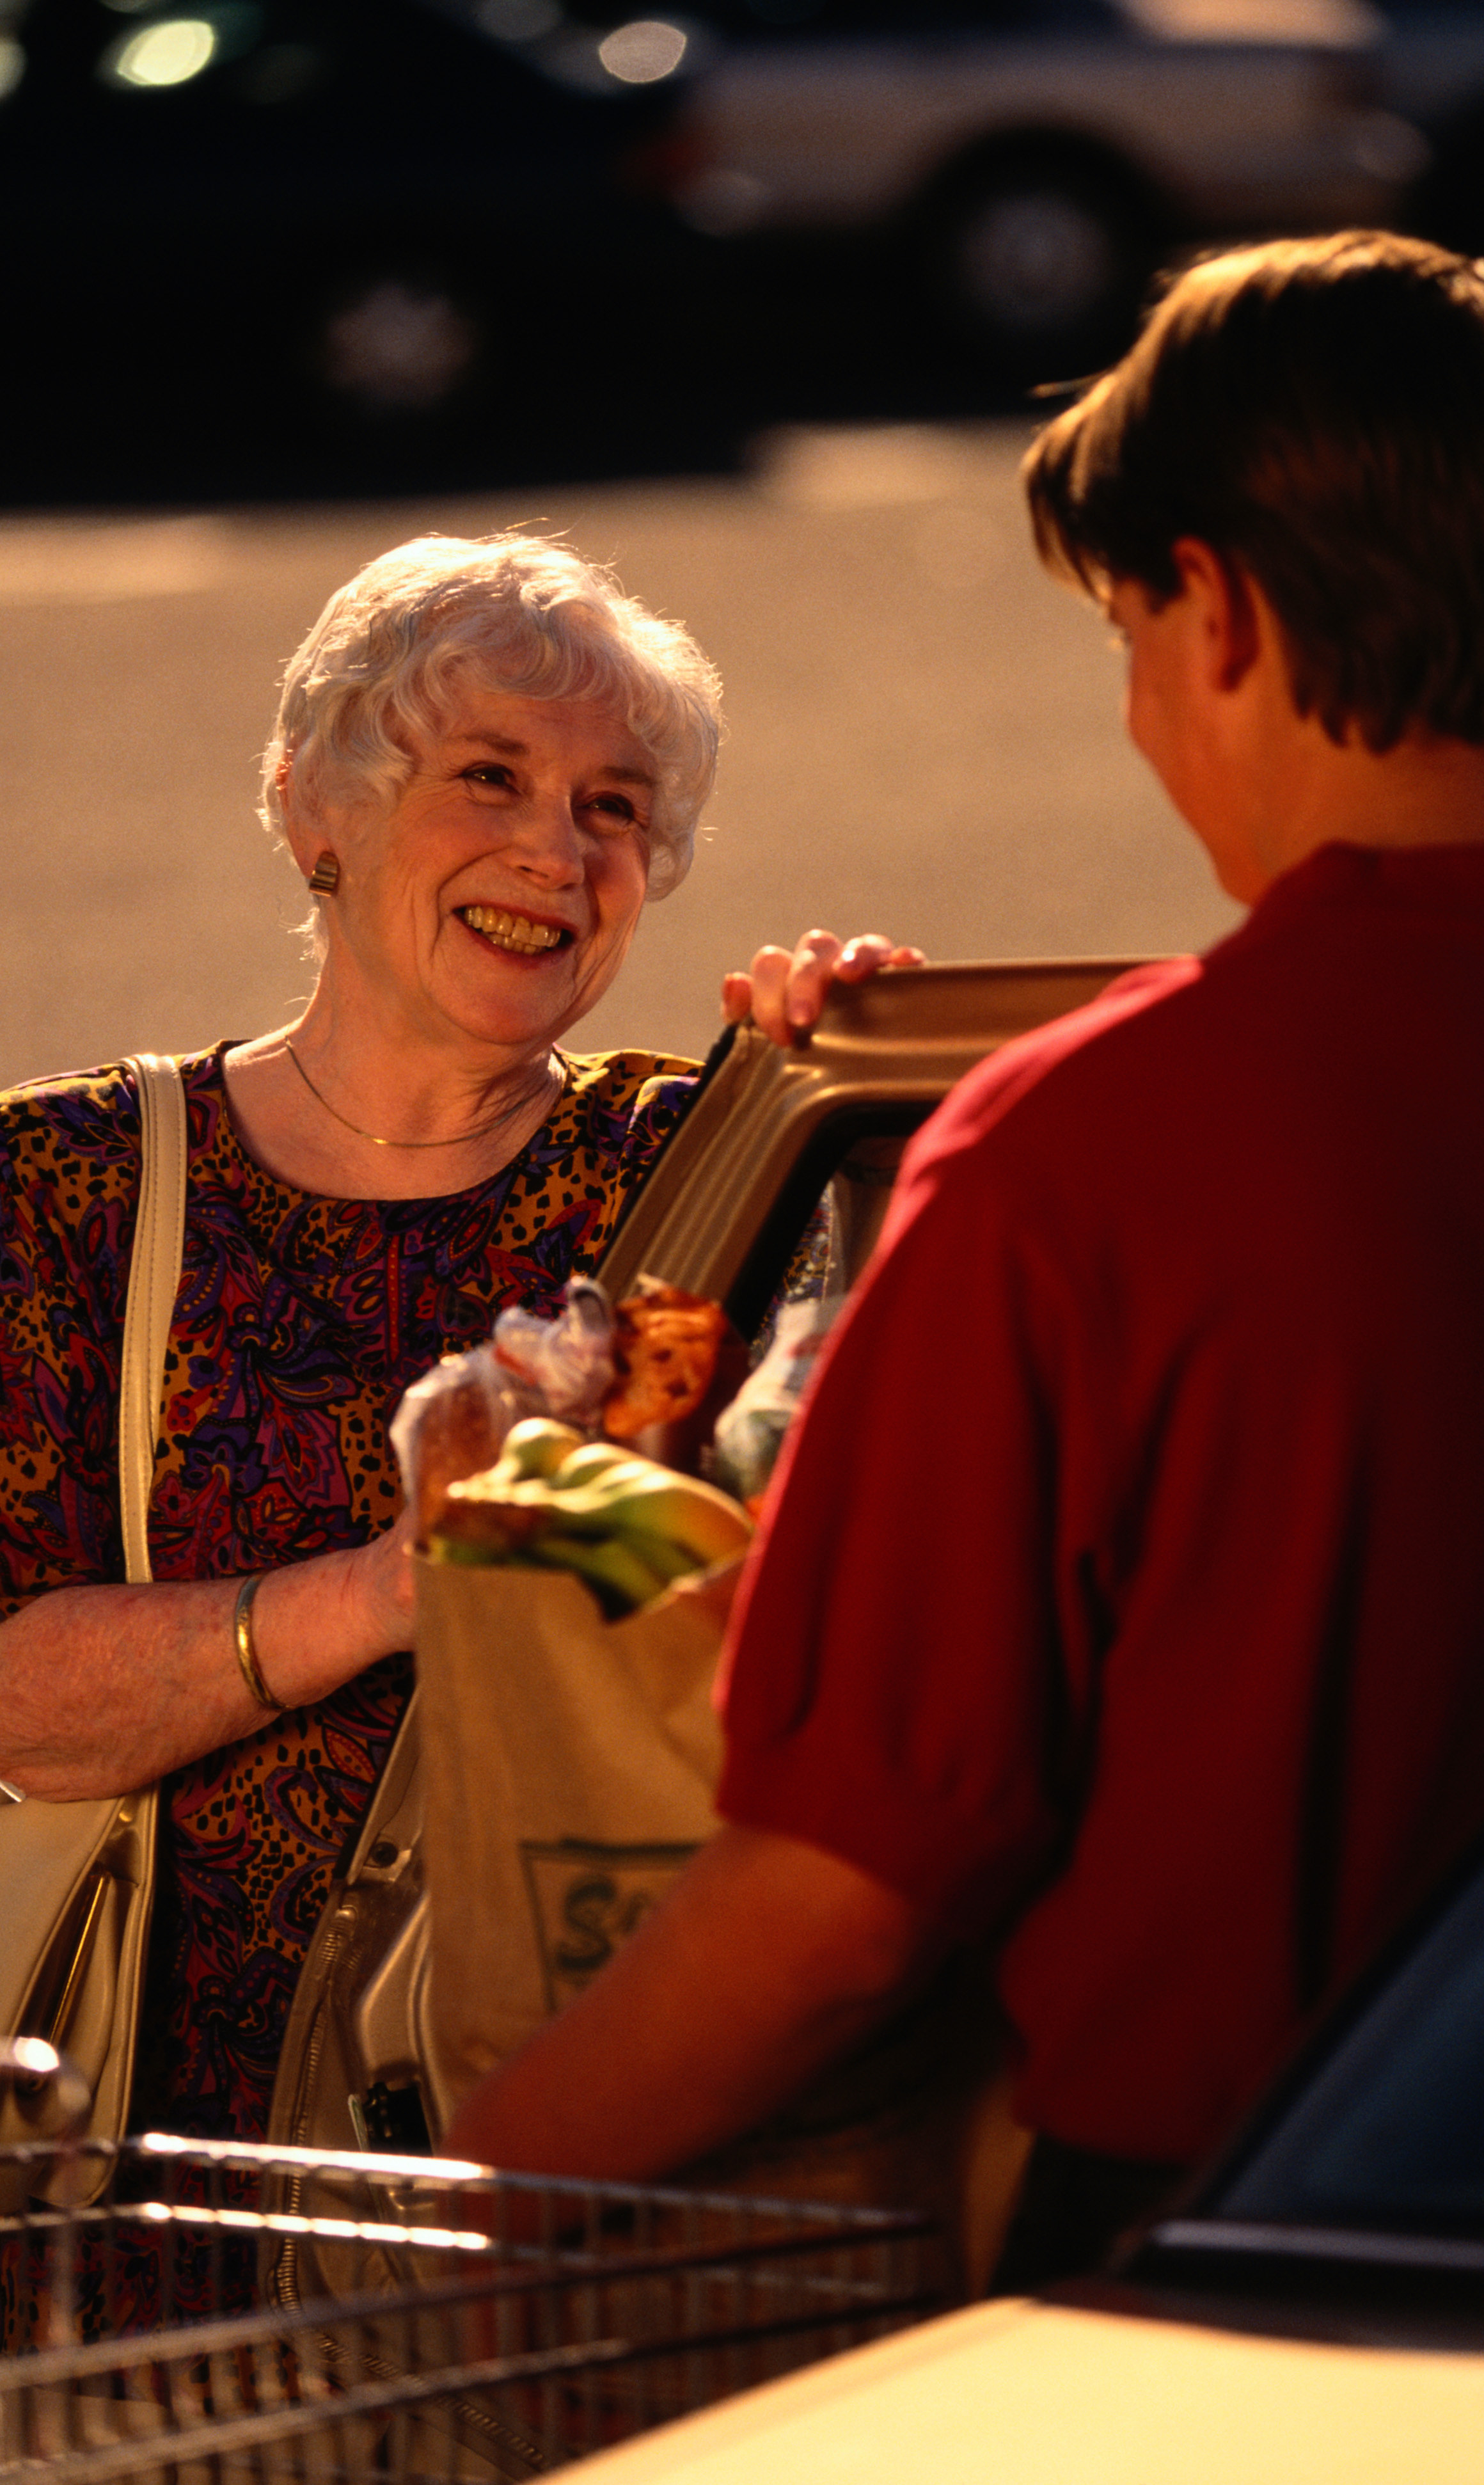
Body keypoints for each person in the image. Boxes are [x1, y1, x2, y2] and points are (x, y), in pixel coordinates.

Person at [444, 234, 1484, 2278]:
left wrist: (470, 2207)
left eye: (1128, 636)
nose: (1139, 716)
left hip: (1220, 2276)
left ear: (1223, 612)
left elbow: (836, 1902)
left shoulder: (1077, 1152)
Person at [0, 532, 912, 2168]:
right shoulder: (71, 1184)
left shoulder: (705, 1158)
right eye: (488, 776)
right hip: (208, 2159)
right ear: (313, 808)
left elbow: (859, 1563)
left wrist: (869, 1097)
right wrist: (392, 1588)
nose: (556, 854)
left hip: (602, 2104)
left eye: (613, 805)